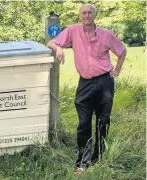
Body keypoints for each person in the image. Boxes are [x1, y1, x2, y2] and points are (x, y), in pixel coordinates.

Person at [47, 3, 127, 174]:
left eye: (90, 12)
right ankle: (82, 162)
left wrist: (117, 70)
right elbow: (51, 42)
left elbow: (122, 51)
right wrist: (59, 48)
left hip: (105, 82)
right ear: (79, 16)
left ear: (94, 15)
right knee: (84, 123)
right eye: (83, 12)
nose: (87, 15)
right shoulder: (72, 31)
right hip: (85, 83)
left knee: (103, 121)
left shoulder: (106, 34)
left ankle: (99, 157)